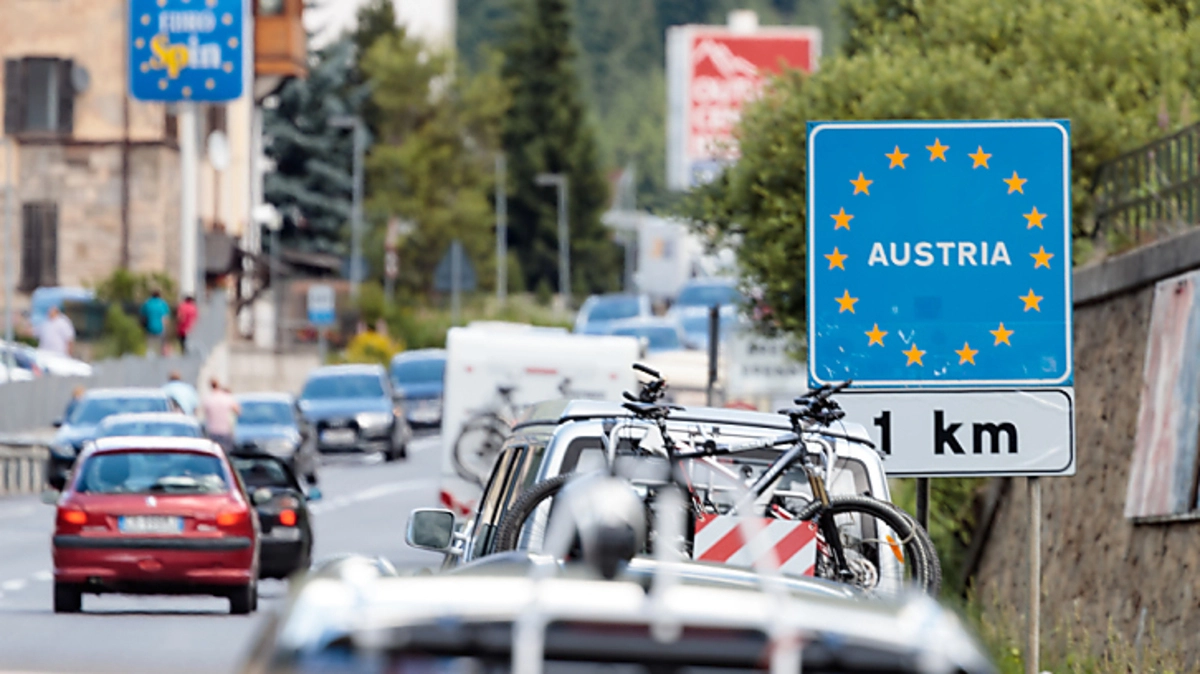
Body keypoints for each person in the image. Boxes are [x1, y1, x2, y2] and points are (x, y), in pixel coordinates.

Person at [200, 378, 240, 453]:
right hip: (225, 430)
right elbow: (238, 411)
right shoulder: (226, 397)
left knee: (214, 453)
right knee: (226, 453)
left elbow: (204, 413)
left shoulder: (208, 399)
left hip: (212, 431)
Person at [140, 290, 171, 356]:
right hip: (160, 329)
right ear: (159, 296)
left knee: (149, 346)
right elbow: (166, 319)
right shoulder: (163, 304)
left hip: (149, 329)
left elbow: (143, 317)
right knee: (163, 342)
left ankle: (148, 353)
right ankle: (164, 353)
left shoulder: (147, 303)